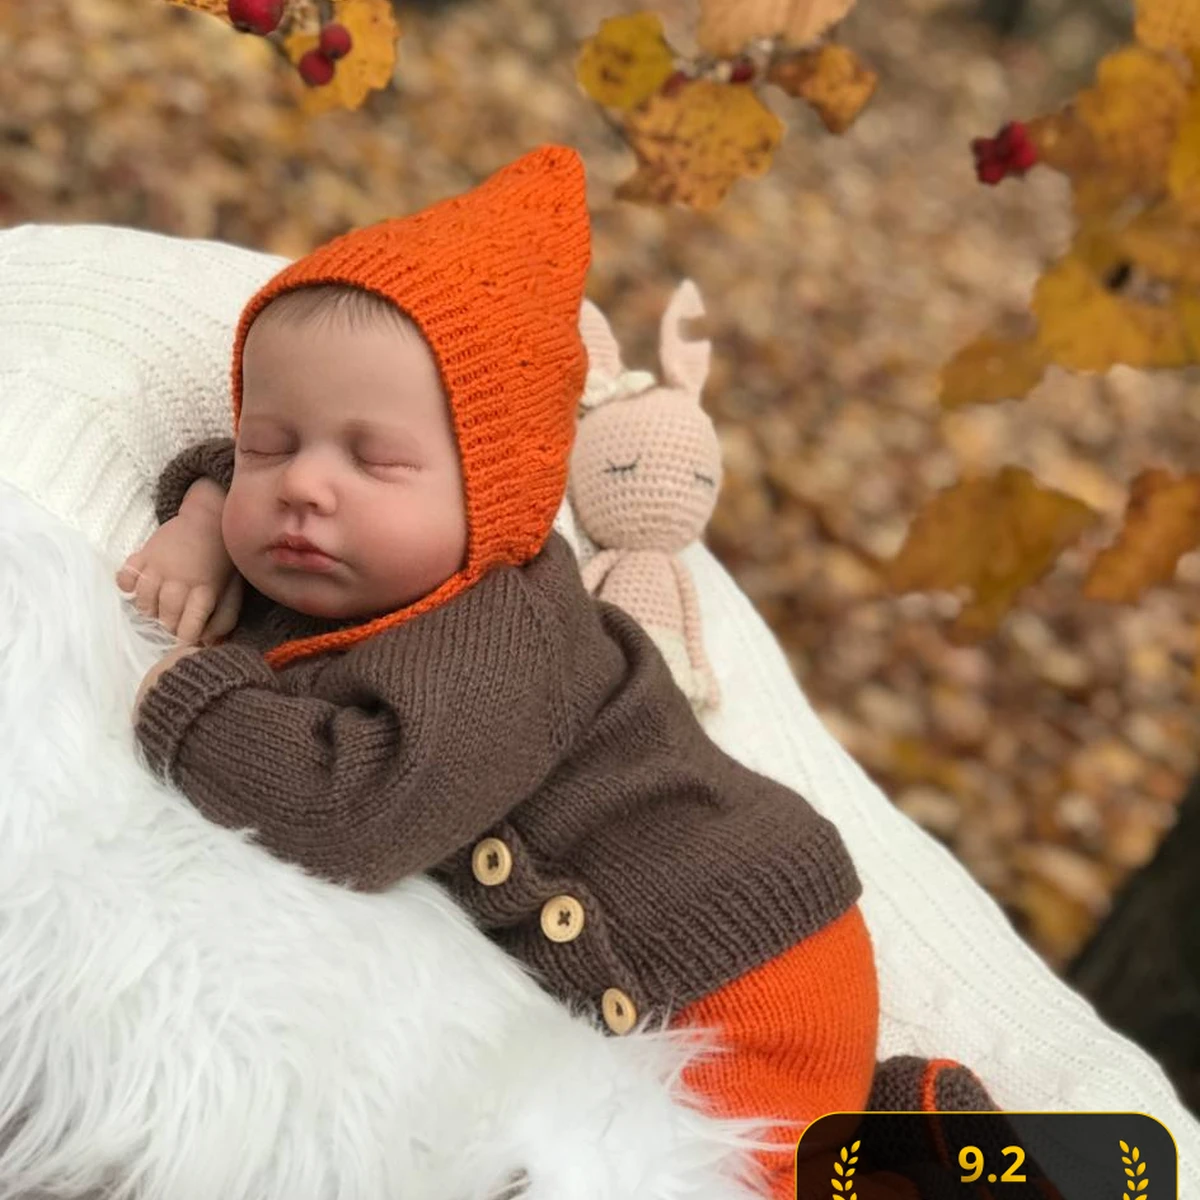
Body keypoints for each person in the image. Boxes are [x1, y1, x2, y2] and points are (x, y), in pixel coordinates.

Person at [118, 145, 992, 1200]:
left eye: (374, 459)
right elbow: (230, 463)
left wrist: (188, 705)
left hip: (734, 963)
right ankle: (898, 1118)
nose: (303, 485)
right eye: (273, 444)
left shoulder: (500, 639)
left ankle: (922, 1149)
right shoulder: (353, 558)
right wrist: (207, 512)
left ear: (497, 491)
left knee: (733, 1179)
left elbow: (356, 812)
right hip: (739, 942)